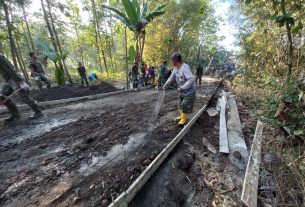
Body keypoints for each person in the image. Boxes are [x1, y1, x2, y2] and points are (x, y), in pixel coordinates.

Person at [0, 54, 43, 122]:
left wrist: (18, 80)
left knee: (23, 96)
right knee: (2, 96)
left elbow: (10, 69)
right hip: (7, 80)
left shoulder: (0, 57)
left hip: (14, 78)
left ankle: (38, 111)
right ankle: (15, 114)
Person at [162, 53, 196, 126]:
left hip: (189, 91)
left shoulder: (184, 68)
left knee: (184, 104)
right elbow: (171, 77)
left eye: (172, 61)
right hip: (182, 91)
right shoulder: (175, 68)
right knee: (180, 104)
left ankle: (184, 118)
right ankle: (182, 116)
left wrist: (182, 88)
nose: (172, 62)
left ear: (176, 61)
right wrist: (166, 84)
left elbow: (191, 79)